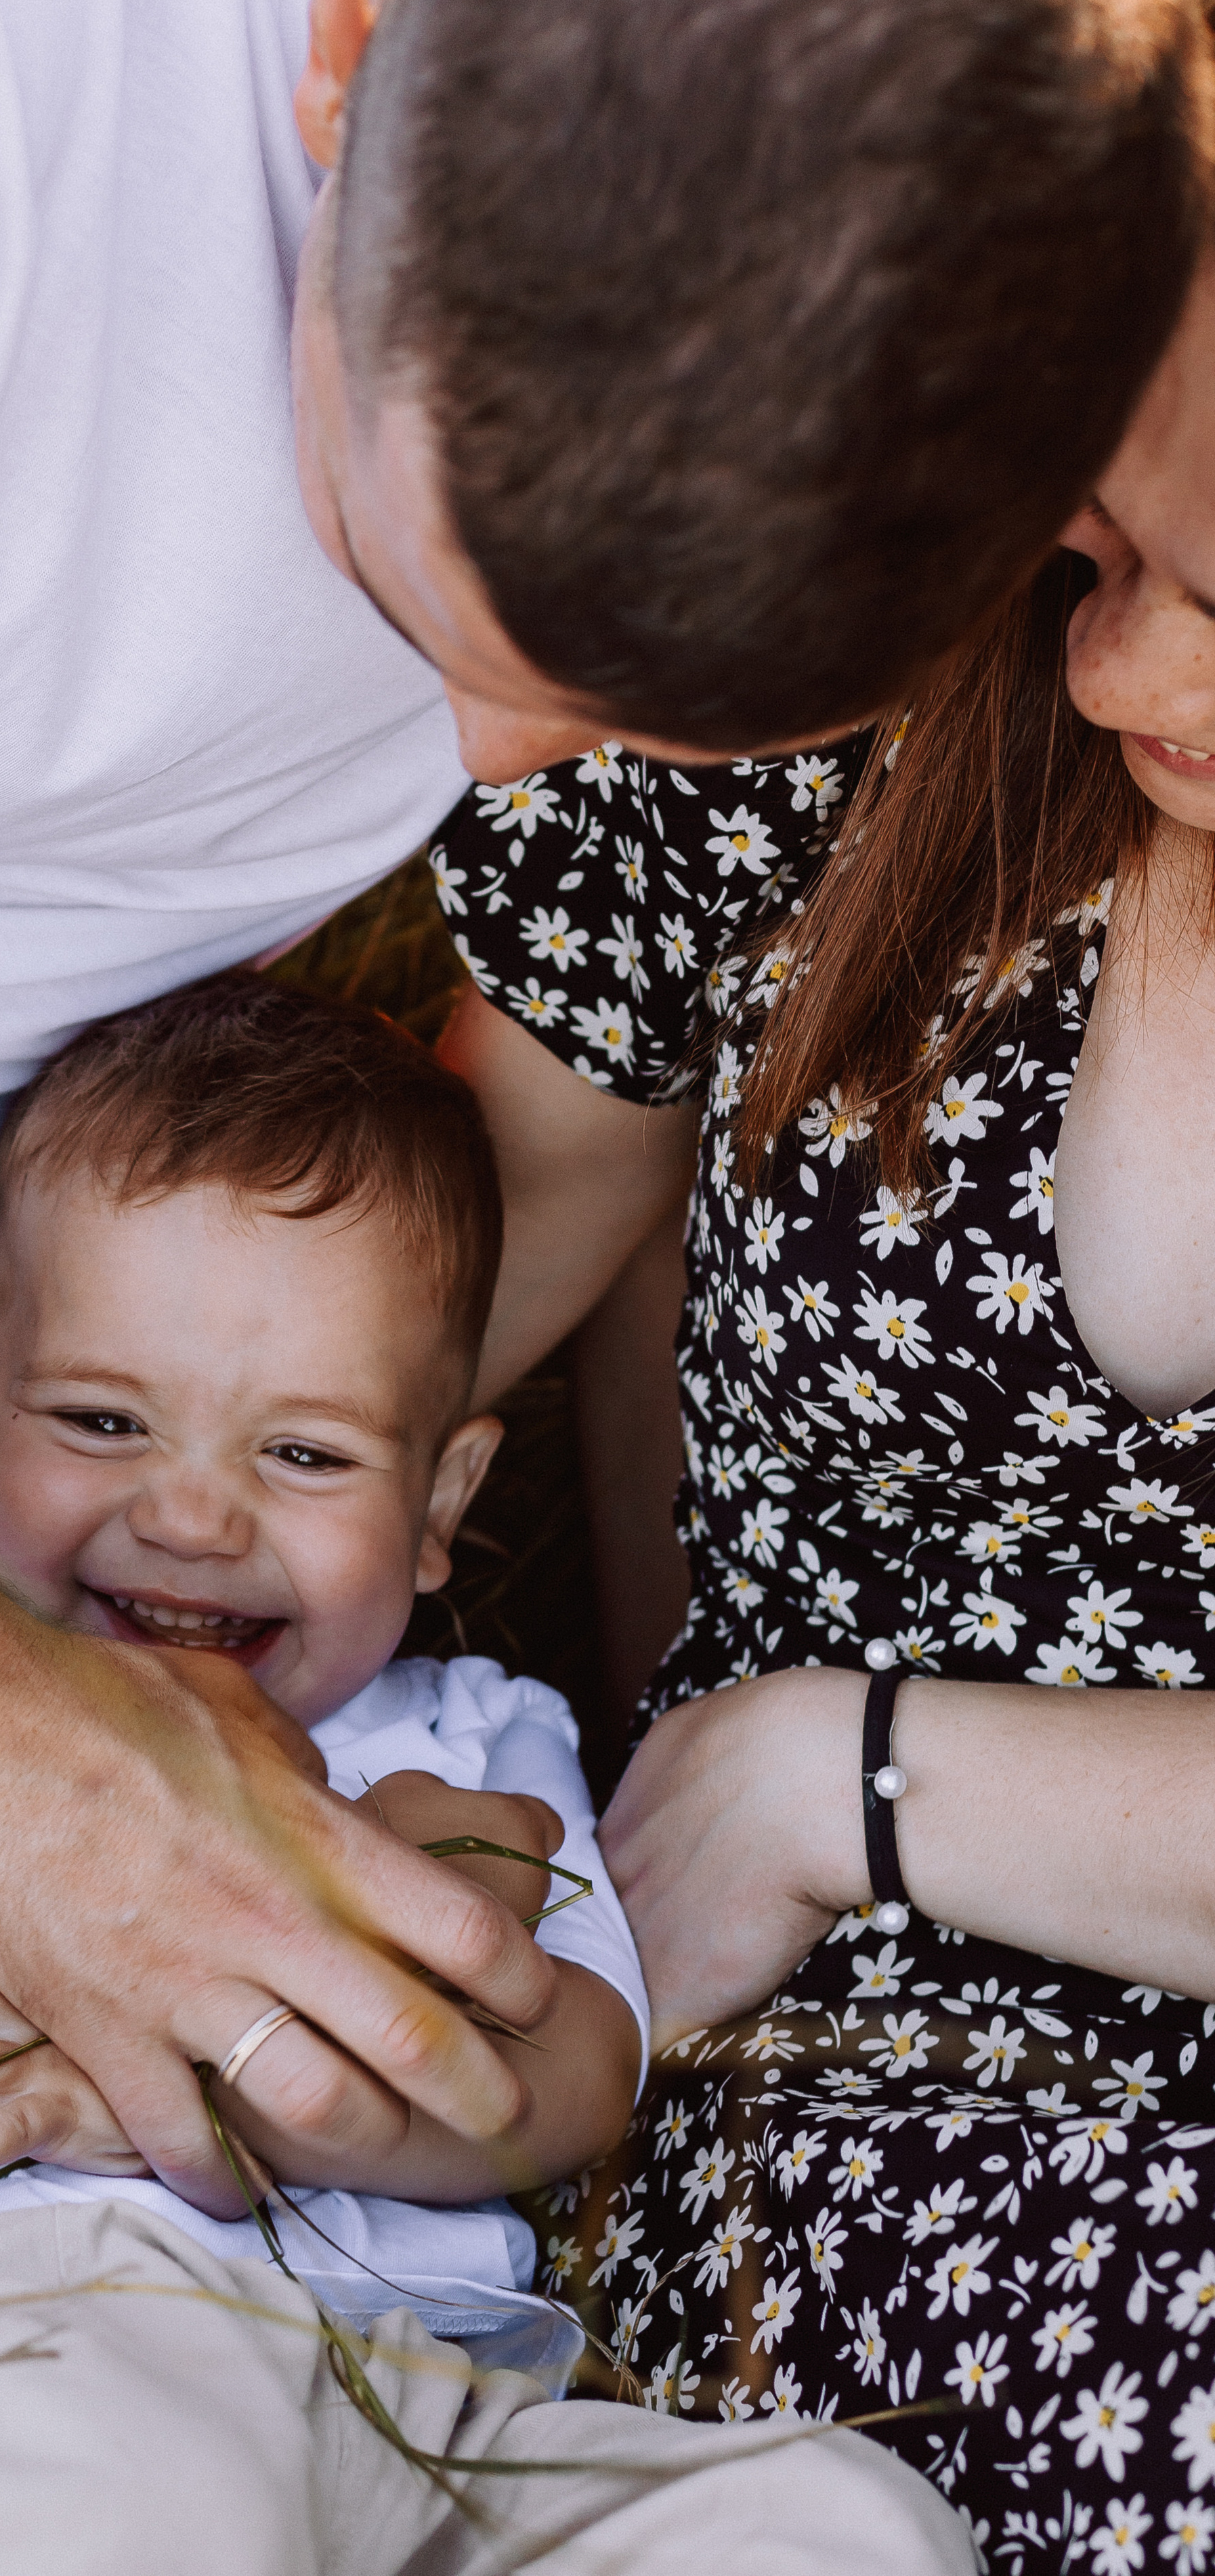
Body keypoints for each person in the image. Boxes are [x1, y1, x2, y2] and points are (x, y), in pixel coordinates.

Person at [0, 0, 1206, 2389]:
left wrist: (306, 1554)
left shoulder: (1022, 229)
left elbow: (547, 1159)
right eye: (427, 594)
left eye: (671, 721)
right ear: (350, 45)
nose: (493, 767)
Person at [0, 972, 971, 2575]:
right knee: (100, 2523)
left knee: (836, 2526)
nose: (191, 1518)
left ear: (440, 1503)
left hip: (416, 2410)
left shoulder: (484, 1739)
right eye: (101, 1420)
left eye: (303, 1454)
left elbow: (565, 2083)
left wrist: (266, 2094)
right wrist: (366, 1909)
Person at [433, 479, 1215, 2557]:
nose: (1119, 664)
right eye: (1118, 545)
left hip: (823, 1851)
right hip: (829, 2066)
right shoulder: (836, 675)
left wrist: (843, 1780)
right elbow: (403, 1296)